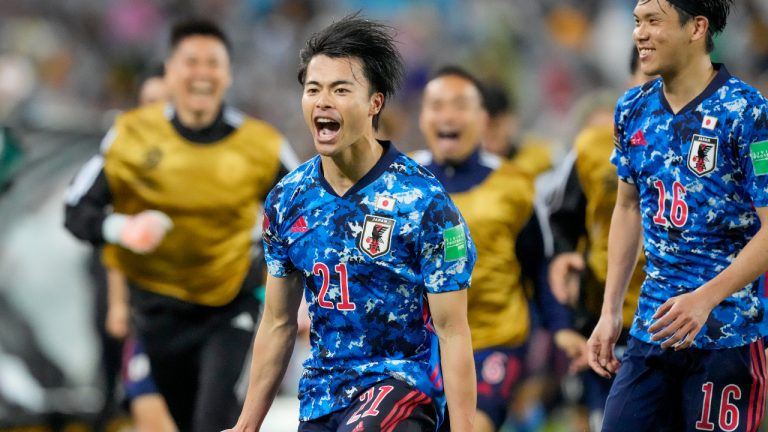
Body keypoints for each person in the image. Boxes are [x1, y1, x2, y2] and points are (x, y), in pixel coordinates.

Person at [227, 15, 477, 432]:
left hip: (401, 387)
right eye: (313, 89)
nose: (323, 101)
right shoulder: (287, 201)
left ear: (374, 103)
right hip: (321, 399)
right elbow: (277, 322)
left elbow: (453, 331)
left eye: (341, 90)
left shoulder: (424, 203)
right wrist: (245, 426)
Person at [64, 18, 298, 432]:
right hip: (157, 311)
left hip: (230, 307)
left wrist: (303, 296)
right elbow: (76, 209)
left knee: (215, 419)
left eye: (213, 62)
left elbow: (310, 217)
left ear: (228, 74)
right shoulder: (131, 136)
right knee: (182, 420)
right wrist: (122, 229)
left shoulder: (262, 145)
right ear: (170, 70)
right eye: (191, 61)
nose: (202, 73)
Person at [587, 1, 768, 430]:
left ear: (696, 28)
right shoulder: (631, 108)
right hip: (653, 330)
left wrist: (705, 299)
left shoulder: (748, 112)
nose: (639, 34)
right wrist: (611, 310)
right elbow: (628, 208)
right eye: (636, 22)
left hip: (728, 337)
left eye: (653, 21)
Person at [411, 65, 569, 432]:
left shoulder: (514, 186)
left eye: (459, 105)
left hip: (492, 340)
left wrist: (560, 329)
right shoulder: (401, 182)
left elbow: (540, 266)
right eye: (437, 105)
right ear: (422, 117)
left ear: (482, 119)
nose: (448, 115)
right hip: (419, 349)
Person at [547, 49, 653, 432]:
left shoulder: (711, 146)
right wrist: (564, 260)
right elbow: (563, 223)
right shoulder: (594, 148)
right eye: (649, 79)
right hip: (610, 317)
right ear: (630, 83)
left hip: (683, 319)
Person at [102, 68, 176, 432]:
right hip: (150, 317)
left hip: (210, 319)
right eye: (148, 103)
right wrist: (117, 304)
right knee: (149, 415)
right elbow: (119, 245)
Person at [480, 82, 552, 177]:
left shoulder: (540, 160)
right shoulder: (466, 169)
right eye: (484, 127)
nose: (490, 133)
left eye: (496, 125)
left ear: (511, 121)